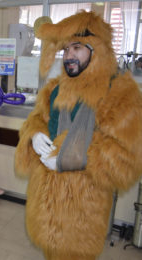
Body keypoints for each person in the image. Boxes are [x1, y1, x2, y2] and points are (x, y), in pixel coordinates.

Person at [14, 12, 142, 260]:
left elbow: (128, 157)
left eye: (77, 47)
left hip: (82, 211)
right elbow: (37, 119)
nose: (68, 55)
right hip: (46, 202)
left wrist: (70, 156)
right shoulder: (54, 88)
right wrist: (34, 134)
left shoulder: (120, 93)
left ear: (97, 49)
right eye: (65, 49)